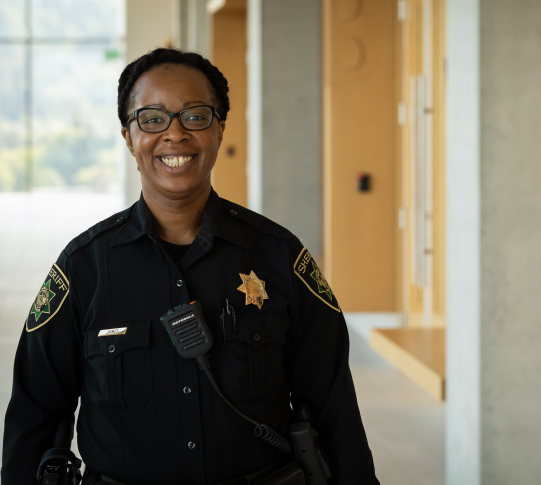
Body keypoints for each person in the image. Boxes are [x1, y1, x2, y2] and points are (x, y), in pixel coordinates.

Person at [1, 48, 379, 485]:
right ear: (128, 136)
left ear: (219, 129)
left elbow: (334, 410)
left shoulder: (281, 257)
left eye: (195, 116)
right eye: (152, 118)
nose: (174, 135)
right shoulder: (84, 268)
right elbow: (35, 414)